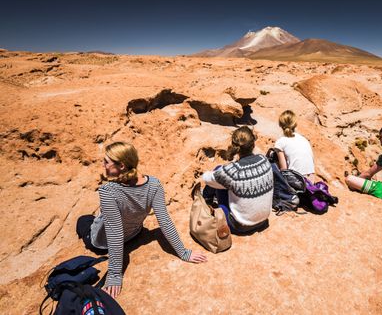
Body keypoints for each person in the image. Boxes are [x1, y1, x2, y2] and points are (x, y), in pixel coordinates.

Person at [76, 142, 207, 298]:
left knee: (83, 220)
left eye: (106, 162)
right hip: (135, 233)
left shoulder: (107, 191)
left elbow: (115, 234)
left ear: (122, 166)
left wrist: (115, 275)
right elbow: (164, 221)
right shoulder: (154, 184)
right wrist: (183, 252)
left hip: (101, 243)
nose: (102, 165)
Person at [202, 126, 273, 235]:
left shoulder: (234, 171)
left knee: (218, 173)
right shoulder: (264, 160)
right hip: (263, 221)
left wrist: (227, 168)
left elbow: (206, 178)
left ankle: (207, 198)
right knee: (226, 180)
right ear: (253, 144)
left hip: (239, 226)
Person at [274, 110, 315, 180]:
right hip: (311, 179)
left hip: (297, 181)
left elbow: (284, 169)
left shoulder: (280, 142)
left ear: (280, 124)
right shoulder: (303, 139)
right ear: (295, 124)